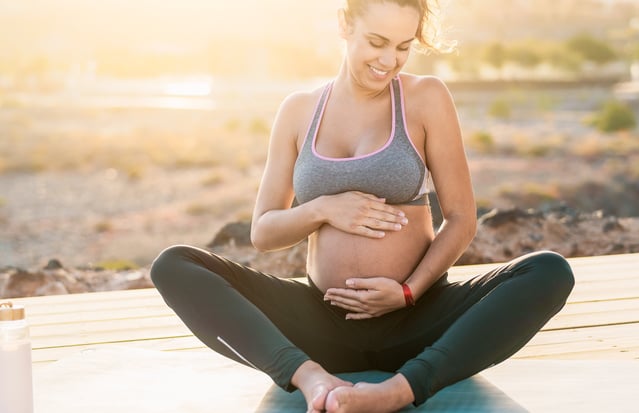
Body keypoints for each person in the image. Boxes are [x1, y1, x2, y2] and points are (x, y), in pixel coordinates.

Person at [150, 0, 575, 412]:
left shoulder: (426, 98)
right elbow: (263, 233)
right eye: (377, 41)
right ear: (344, 25)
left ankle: (400, 390)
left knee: (549, 271)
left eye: (404, 46)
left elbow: (462, 219)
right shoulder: (298, 111)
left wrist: (408, 293)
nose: (389, 59)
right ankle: (309, 377)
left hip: (419, 320)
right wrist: (322, 209)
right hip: (321, 322)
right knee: (174, 265)